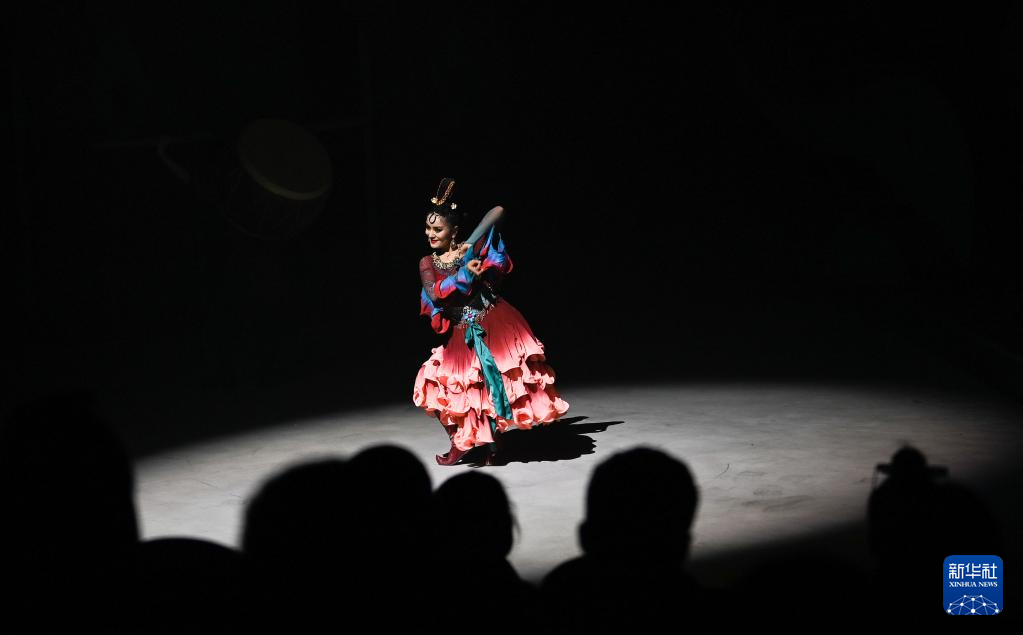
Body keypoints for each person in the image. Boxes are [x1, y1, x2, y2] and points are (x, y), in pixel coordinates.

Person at [412, 178, 568, 465]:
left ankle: (494, 447)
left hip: (492, 322)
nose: (430, 234)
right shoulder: (428, 262)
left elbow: (498, 211)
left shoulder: (470, 248)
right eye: (428, 228)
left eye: (437, 229)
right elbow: (434, 294)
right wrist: (464, 275)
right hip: (461, 331)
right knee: (434, 384)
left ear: (454, 230)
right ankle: (461, 442)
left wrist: (470, 245)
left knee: (491, 385)